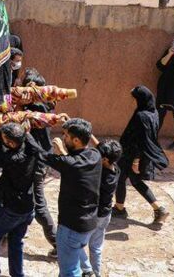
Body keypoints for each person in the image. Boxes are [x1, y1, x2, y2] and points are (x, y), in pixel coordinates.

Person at [42, 118, 102, 277]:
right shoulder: (95, 155)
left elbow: (41, 155)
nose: (63, 138)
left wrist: (26, 134)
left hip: (71, 228)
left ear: (76, 140)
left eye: (66, 136)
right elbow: (73, 159)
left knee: (69, 272)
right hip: (88, 224)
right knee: (74, 261)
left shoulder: (70, 163)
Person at [0, 122, 41, 277]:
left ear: (12, 143)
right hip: (28, 207)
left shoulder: (12, 158)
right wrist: (25, 132)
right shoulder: (31, 150)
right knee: (16, 241)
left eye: (5, 139)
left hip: (12, 209)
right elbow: (30, 140)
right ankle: (17, 274)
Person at [113, 86, 170, 225]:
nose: (133, 102)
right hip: (141, 154)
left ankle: (120, 209)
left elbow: (140, 139)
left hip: (132, 154)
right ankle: (159, 209)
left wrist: (136, 161)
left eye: (135, 99)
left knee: (120, 178)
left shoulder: (141, 116)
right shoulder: (153, 112)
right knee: (136, 181)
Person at [21, 68, 59, 252]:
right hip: (37, 157)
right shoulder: (46, 105)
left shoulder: (35, 110)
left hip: (36, 160)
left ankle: (57, 244)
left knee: (38, 204)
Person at [81, 140, 122, 277]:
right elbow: (105, 150)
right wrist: (90, 136)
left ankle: (87, 270)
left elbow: (77, 170)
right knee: (96, 247)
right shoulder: (115, 168)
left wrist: (62, 151)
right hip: (105, 214)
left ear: (104, 159)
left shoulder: (100, 174)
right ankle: (96, 273)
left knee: (75, 244)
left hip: (94, 216)